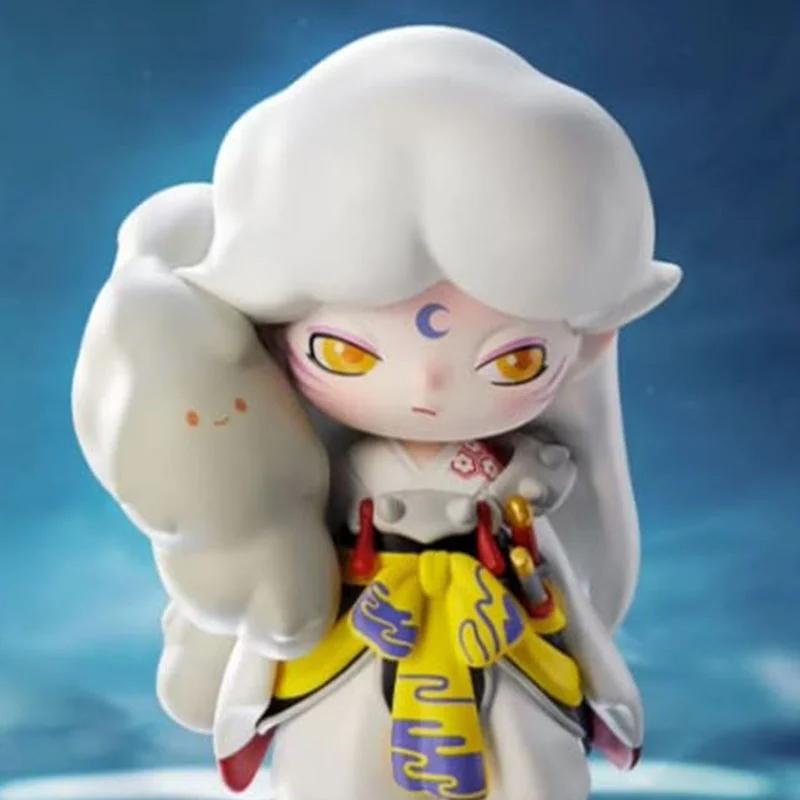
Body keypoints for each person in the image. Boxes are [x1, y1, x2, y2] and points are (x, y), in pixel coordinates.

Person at [73, 26, 681, 800]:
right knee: (343, 765)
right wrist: (250, 669)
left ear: (591, 340)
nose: (427, 383)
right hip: (360, 639)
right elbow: (277, 608)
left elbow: (559, 578)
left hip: (495, 641)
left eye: (513, 358)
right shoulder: (331, 478)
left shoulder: (517, 480)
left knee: (527, 770)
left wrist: (577, 654)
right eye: (348, 352)